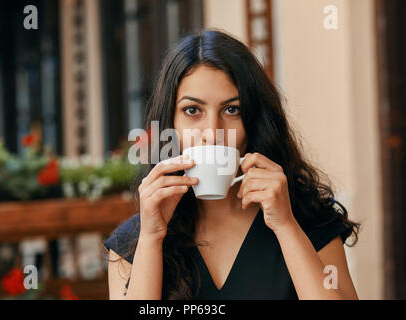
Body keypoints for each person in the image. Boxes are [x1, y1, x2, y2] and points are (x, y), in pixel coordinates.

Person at [103, 29, 360, 300]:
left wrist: (285, 225)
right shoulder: (133, 241)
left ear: (254, 123)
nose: (212, 133)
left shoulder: (307, 220)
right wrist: (151, 237)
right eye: (193, 111)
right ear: (170, 123)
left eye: (231, 110)